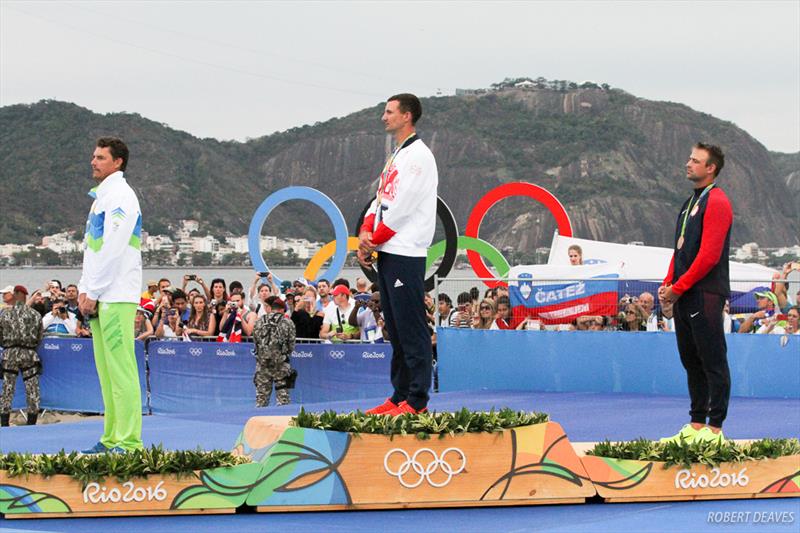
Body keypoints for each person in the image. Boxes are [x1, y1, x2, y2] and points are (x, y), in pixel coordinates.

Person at [358, 93, 438, 416]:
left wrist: (372, 240)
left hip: (406, 250)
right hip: (388, 250)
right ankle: (399, 394)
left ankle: (417, 399)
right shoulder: (396, 156)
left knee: (411, 326)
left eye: (389, 111)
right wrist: (365, 232)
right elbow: (381, 199)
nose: (383, 116)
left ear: (407, 116)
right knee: (393, 325)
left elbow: (403, 207)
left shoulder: (419, 156)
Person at [659, 142, 733, 444]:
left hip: (705, 293)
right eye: (689, 158)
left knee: (712, 360)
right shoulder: (690, 203)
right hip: (684, 293)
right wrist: (667, 288)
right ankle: (696, 425)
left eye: (695, 160)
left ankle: (715, 428)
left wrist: (677, 289)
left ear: (710, 167)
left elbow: (709, 256)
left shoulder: (717, 201)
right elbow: (679, 252)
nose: (688, 163)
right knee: (691, 360)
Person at [78, 137, 144, 453]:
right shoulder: (100, 199)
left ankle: (129, 441)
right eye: (93, 156)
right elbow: (93, 250)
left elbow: (115, 248)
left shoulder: (121, 196)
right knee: (107, 374)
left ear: (117, 162)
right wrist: (82, 289)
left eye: (101, 157)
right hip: (100, 294)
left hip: (116, 295)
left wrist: (94, 290)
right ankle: (111, 437)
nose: (94, 161)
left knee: (121, 370)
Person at [0, 285, 43, 426]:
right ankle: (31, 423)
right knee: (32, 389)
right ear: (25, 296)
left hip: (10, 354)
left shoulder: (5, 314)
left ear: (15, 294)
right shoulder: (35, 315)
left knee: (7, 388)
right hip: (29, 354)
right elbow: (39, 337)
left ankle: (4, 423)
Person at [252, 296, 296, 407]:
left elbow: (256, 341)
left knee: (261, 399)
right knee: (283, 399)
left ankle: (259, 422)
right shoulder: (287, 322)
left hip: (262, 365)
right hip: (280, 365)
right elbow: (291, 344)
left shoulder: (259, 321)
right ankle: (281, 423)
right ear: (282, 309)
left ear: (272, 308)